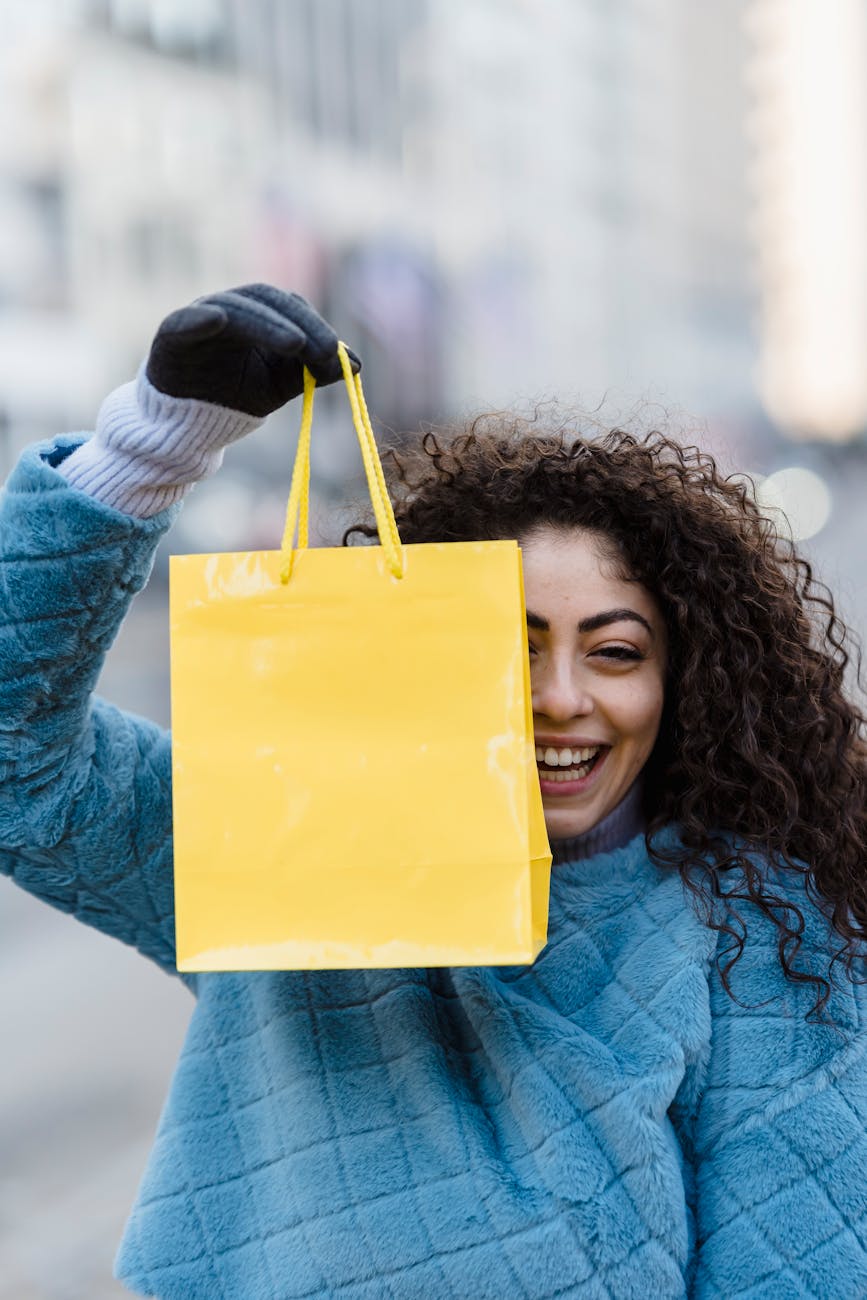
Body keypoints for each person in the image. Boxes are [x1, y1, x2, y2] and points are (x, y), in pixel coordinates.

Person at [1, 283, 866, 1300]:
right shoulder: (280, 839)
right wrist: (150, 448)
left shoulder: (763, 932)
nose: (562, 699)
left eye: (617, 650)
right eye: (511, 643)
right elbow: (23, 766)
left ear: (682, 679)